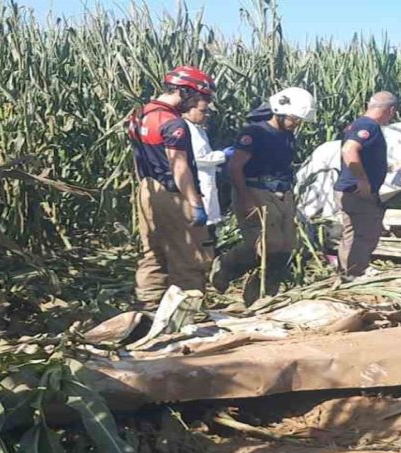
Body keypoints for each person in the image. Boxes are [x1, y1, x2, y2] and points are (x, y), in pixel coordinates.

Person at [213, 88, 316, 304]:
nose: (296, 123)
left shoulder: (287, 135)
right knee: (266, 244)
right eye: (294, 118)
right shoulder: (254, 133)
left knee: (287, 245)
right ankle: (227, 267)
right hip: (255, 190)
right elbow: (236, 167)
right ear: (280, 111)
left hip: (281, 193)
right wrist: (246, 199)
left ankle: (265, 293)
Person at [127, 65, 216, 309]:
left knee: (153, 252)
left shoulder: (140, 114)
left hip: (148, 189)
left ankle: (149, 307)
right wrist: (195, 204)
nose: (202, 103)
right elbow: (180, 167)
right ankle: (185, 312)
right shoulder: (172, 123)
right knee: (188, 255)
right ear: (186, 92)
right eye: (201, 97)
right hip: (173, 194)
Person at [336, 92, 398, 278]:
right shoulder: (368, 126)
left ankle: (347, 271)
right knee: (365, 232)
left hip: (350, 189)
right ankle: (355, 272)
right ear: (391, 110)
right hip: (357, 191)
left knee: (352, 233)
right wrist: (362, 179)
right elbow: (349, 149)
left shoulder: (359, 123)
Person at [182, 100, 226, 232]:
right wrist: (224, 155)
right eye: (203, 111)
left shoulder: (198, 129)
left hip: (206, 181)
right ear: (189, 110)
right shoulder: (187, 129)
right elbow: (199, 159)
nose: (207, 115)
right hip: (198, 184)